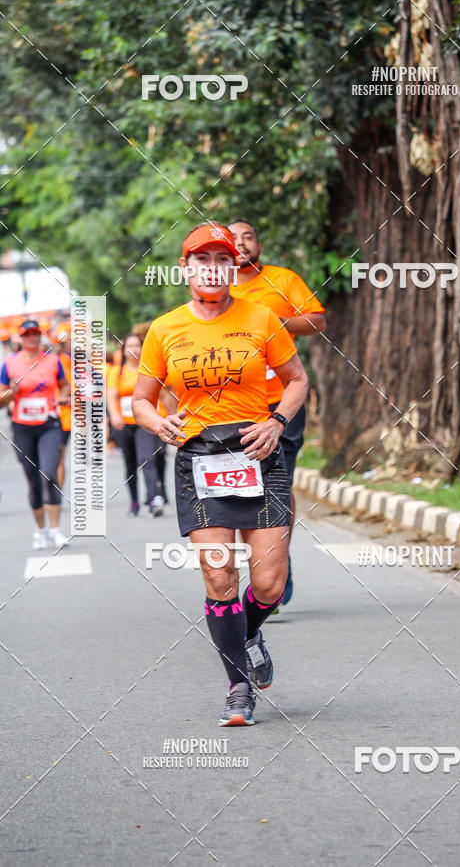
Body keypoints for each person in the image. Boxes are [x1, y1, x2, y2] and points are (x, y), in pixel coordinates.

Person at [132, 223, 308, 726]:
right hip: (199, 458)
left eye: (221, 258)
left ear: (232, 267)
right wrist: (158, 422)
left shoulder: (262, 317)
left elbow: (297, 380)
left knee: (270, 584)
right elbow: (141, 400)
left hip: (257, 452)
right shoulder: (165, 329)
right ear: (185, 267)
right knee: (219, 573)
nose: (211, 266)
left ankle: (248, 631)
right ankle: (238, 687)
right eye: (200, 258)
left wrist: (277, 421)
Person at [228, 218, 326, 606]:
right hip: (234, 405)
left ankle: (277, 565)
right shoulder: (216, 291)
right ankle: (253, 566)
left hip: (281, 401)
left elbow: (316, 320)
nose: (241, 243)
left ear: (259, 245)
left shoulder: (282, 280)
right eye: (232, 239)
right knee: (238, 487)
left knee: (278, 480)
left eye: (248, 236)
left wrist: (275, 323)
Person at [0, 318, 70, 549]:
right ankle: (41, 531)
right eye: (26, 334)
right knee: (33, 479)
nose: (31, 337)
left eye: (35, 333)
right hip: (22, 427)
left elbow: (64, 386)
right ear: (20, 338)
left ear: (40, 335)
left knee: (49, 474)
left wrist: (62, 398)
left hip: (49, 424)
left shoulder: (53, 361)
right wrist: (12, 392)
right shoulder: (9, 365)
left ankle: (56, 530)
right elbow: (1, 402)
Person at [107, 333, 166, 517]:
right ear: (123, 351)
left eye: (137, 346)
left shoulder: (149, 368)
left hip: (145, 422)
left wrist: (164, 417)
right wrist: (114, 415)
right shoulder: (118, 371)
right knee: (130, 462)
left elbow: (163, 393)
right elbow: (111, 395)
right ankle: (134, 502)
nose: (133, 350)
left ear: (143, 348)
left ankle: (154, 499)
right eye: (129, 346)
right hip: (125, 423)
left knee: (147, 458)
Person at [52, 323, 72, 490]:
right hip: (46, 416)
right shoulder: (43, 362)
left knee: (59, 455)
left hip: (65, 417)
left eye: (62, 343)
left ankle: (56, 492)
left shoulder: (72, 362)